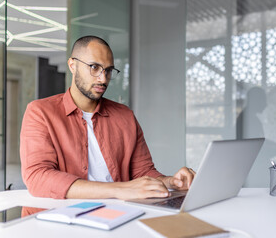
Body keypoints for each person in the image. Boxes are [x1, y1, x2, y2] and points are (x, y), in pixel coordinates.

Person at [20, 35, 195, 200]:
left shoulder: (125, 116)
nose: (103, 79)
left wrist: (171, 182)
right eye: (94, 67)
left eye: (109, 70)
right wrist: (120, 190)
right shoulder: (40, 112)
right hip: (62, 218)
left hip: (118, 213)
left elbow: (143, 172)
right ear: (72, 65)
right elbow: (38, 177)